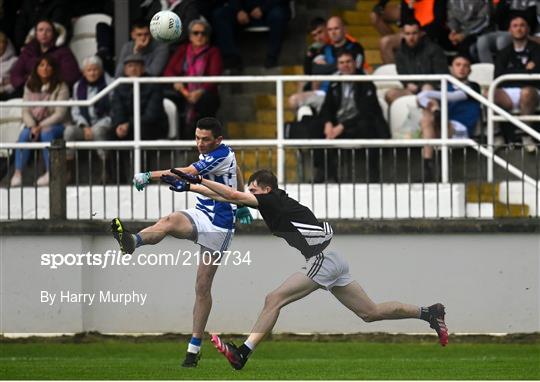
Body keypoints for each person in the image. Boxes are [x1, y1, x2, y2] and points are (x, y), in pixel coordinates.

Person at [161, 168, 449, 370]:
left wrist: (197, 180)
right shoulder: (274, 200)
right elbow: (228, 197)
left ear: (267, 189)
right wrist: (191, 187)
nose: (250, 193)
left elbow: (234, 197)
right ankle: (429, 312)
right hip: (332, 258)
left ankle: (243, 354)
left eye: (254, 189)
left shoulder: (272, 199)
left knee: (273, 299)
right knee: (370, 313)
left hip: (322, 259)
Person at [111, 117, 253, 368]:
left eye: (205, 139)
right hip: (200, 213)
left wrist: (148, 174)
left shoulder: (219, 154)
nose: (199, 143)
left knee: (202, 286)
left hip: (220, 225)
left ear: (217, 140)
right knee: (168, 221)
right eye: (197, 137)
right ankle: (132, 241)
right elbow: (237, 169)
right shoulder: (224, 152)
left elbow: (188, 173)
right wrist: (242, 200)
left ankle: (193, 348)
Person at [317, 50, 390, 182]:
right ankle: (326, 175)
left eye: (348, 62)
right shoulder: (335, 83)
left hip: (361, 125)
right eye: (342, 62)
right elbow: (326, 107)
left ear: (355, 63)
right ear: (338, 66)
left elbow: (366, 112)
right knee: (315, 128)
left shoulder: (365, 81)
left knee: (367, 126)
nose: (345, 65)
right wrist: (328, 123)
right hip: (339, 126)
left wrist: (342, 126)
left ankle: (374, 178)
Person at [417, 55, 482, 181]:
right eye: (458, 65)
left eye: (465, 65)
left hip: (461, 129)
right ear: (451, 68)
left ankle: (437, 170)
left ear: (470, 70)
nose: (461, 68)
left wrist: (426, 93)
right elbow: (419, 100)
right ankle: (428, 167)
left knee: (429, 96)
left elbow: (452, 97)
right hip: (442, 125)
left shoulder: (474, 86)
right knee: (426, 118)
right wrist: (430, 102)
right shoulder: (444, 86)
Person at [10, 55, 69, 187]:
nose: (45, 68)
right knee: (25, 134)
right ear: (36, 68)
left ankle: (51, 172)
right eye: (41, 65)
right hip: (34, 125)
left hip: (57, 124)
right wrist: (32, 126)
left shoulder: (61, 86)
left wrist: (40, 126)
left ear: (54, 69)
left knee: (46, 133)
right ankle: (18, 173)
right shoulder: (29, 85)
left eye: (48, 65)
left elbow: (60, 114)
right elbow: (25, 110)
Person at [163, 19, 223, 139]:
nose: (199, 36)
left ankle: (205, 140)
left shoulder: (213, 52)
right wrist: (177, 83)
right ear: (190, 36)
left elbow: (215, 75)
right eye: (196, 33)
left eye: (203, 33)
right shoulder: (183, 49)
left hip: (204, 93)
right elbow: (168, 71)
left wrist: (200, 92)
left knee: (207, 101)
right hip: (183, 91)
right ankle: (176, 139)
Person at [494, 15, 540, 152]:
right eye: (515, 25)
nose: (519, 29)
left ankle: (526, 135)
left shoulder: (537, 50)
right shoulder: (503, 52)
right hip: (509, 92)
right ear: (509, 30)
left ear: (528, 29)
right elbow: (498, 76)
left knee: (526, 92)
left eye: (522, 25)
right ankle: (497, 136)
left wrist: (511, 72)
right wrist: (525, 71)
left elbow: (538, 73)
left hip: (533, 91)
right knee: (489, 93)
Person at [64, 55, 113, 179]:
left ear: (101, 70)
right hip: (84, 125)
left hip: (104, 123)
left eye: (95, 69)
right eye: (89, 70)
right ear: (83, 72)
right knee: (69, 131)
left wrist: (95, 126)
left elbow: (113, 110)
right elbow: (75, 110)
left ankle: (105, 171)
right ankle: (69, 171)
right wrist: (84, 126)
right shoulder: (77, 86)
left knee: (97, 131)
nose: (92, 73)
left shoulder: (110, 84)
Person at [385, 19, 449, 106]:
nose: (411, 37)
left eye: (414, 33)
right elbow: (402, 73)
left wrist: (422, 86)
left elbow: (442, 75)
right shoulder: (400, 53)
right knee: (390, 94)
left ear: (421, 33)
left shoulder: (434, 49)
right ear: (403, 35)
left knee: (427, 89)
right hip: (411, 89)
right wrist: (407, 83)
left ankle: (429, 118)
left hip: (433, 89)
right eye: (407, 34)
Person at [212, 0, 291, 69]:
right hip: (245, 12)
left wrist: (263, 9)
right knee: (220, 15)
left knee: (278, 15)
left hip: (271, 8)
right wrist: (239, 10)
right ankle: (232, 58)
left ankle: (272, 57)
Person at [10, 19, 80, 96]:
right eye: (40, 30)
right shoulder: (28, 51)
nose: (44, 33)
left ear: (53, 34)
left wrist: (49, 84)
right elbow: (16, 74)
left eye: (48, 30)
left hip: (55, 91)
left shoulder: (63, 51)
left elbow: (71, 76)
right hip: (29, 90)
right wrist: (27, 85)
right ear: (36, 34)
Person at [112, 53, 168, 140]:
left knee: (142, 130)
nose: (133, 69)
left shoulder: (153, 85)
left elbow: (151, 116)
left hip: (152, 126)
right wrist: (120, 124)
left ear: (143, 69)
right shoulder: (119, 86)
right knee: (112, 132)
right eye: (130, 66)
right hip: (127, 125)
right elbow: (118, 110)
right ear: (125, 70)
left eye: (137, 66)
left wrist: (129, 125)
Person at [379, 0, 449, 64]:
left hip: (428, 34)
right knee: (385, 42)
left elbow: (439, 22)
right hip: (411, 33)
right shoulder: (407, 1)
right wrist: (410, 8)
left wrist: (420, 32)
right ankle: (395, 75)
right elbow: (405, 23)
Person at [287, 16, 329, 113]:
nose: (318, 38)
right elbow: (307, 72)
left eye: (320, 32)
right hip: (317, 85)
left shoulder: (334, 46)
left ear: (327, 28)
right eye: (314, 35)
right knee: (302, 81)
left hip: (332, 86)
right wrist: (310, 56)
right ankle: (302, 114)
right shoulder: (314, 49)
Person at [0, 31, 18, 100]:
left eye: (0, 42)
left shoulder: (15, 61)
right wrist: (2, 81)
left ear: (6, 45)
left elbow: (15, 82)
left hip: (7, 96)